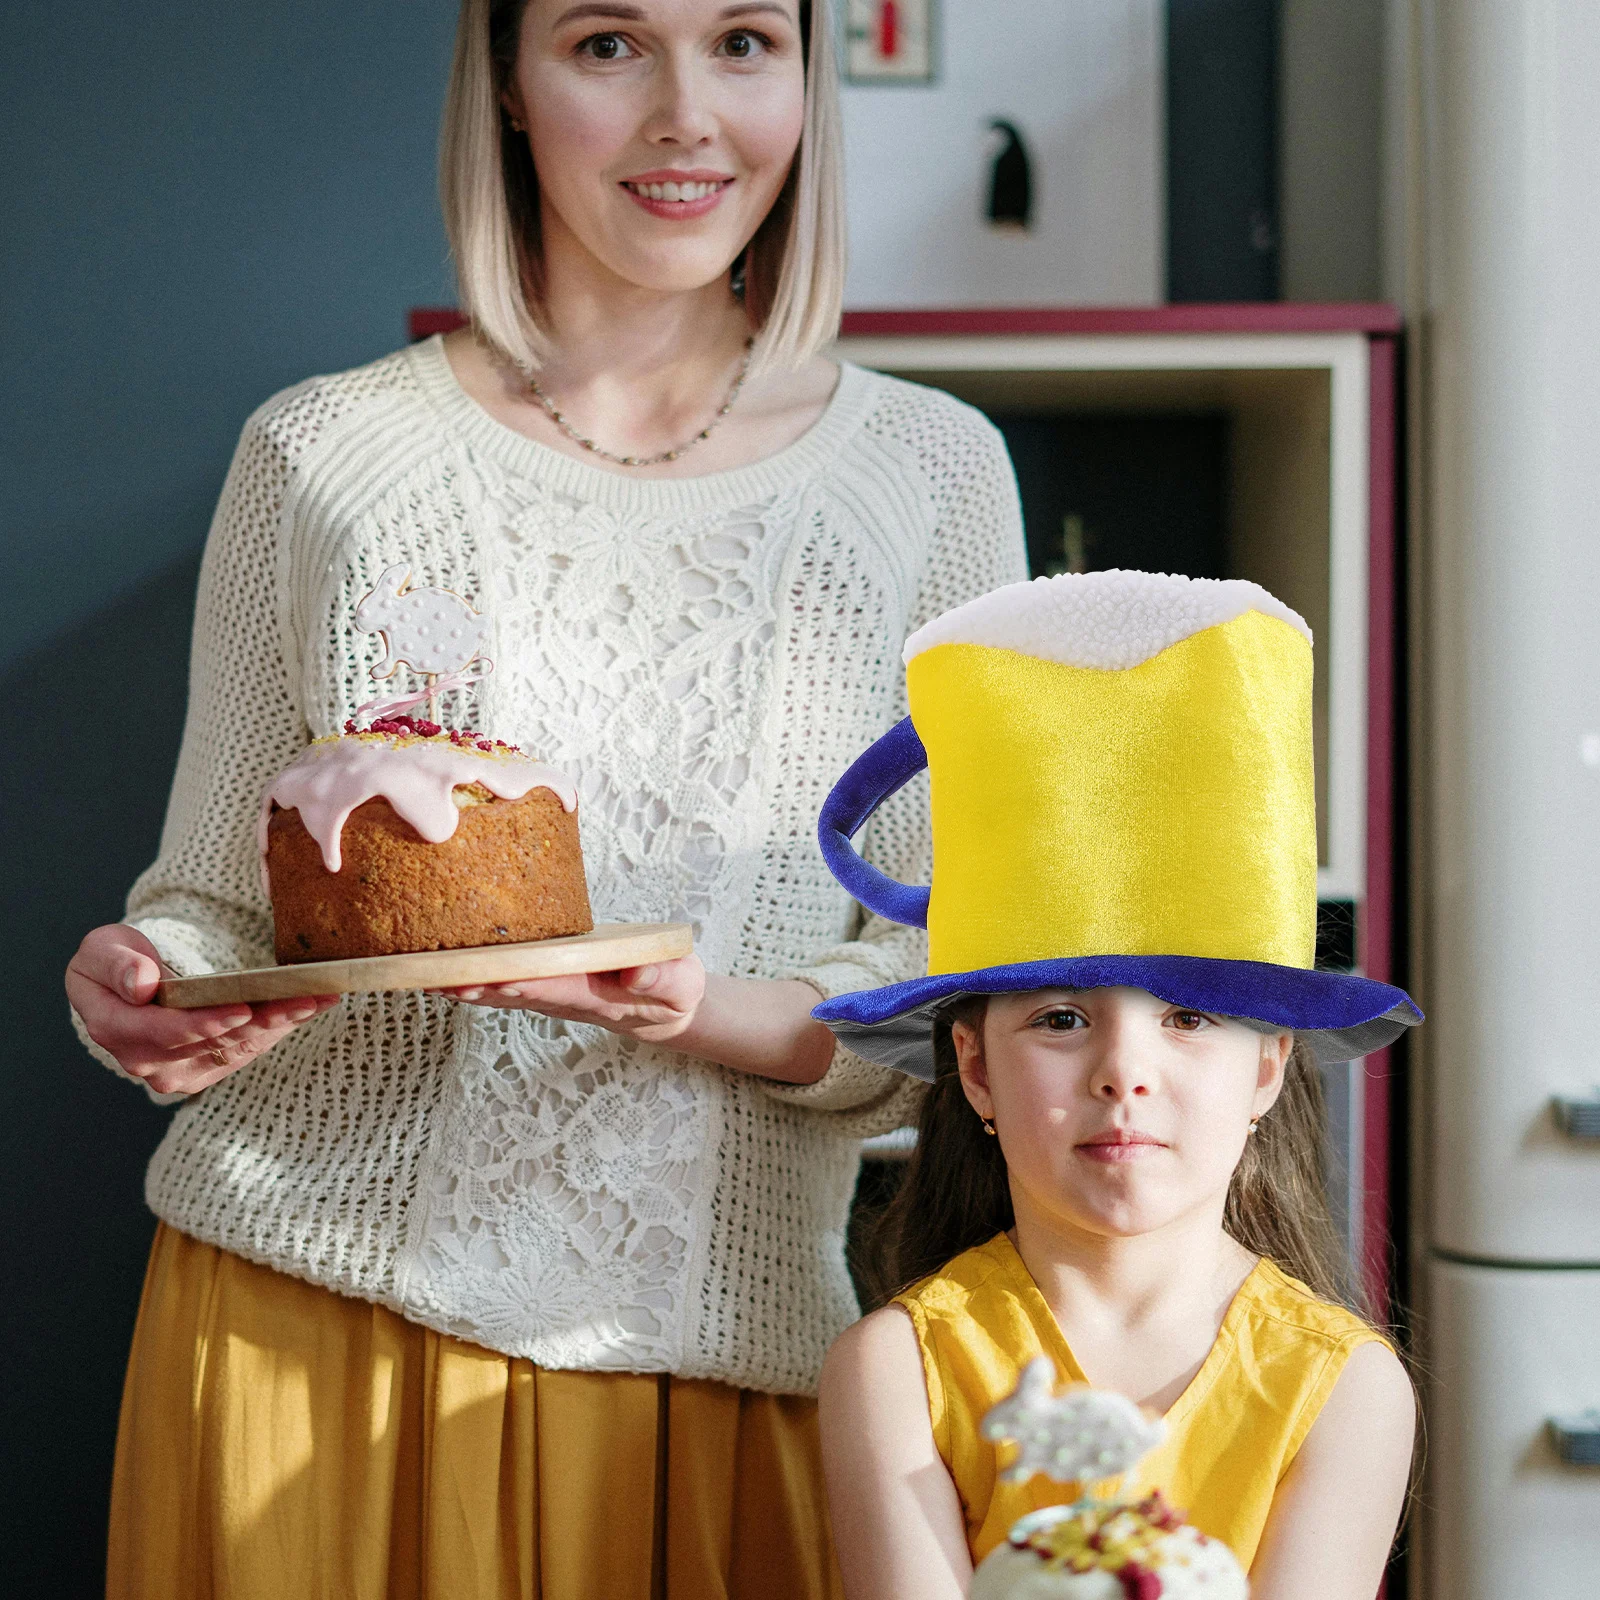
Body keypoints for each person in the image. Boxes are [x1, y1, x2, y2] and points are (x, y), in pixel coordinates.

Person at [63, 3, 1026, 1596]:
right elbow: (216, 895)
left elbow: (953, 1005)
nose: (687, 117)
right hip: (306, 1315)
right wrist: (152, 982)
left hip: (719, 1369)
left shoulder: (926, 481)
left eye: (741, 42)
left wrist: (692, 1006)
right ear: (506, 84)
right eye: (605, 44)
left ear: (806, 72)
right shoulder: (324, 456)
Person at [811, 571, 1422, 1600]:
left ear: (1267, 1067)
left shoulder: (1345, 1389)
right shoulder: (895, 1372)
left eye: (1187, 1018)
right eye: (1060, 1019)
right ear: (975, 1068)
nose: (1124, 1074)